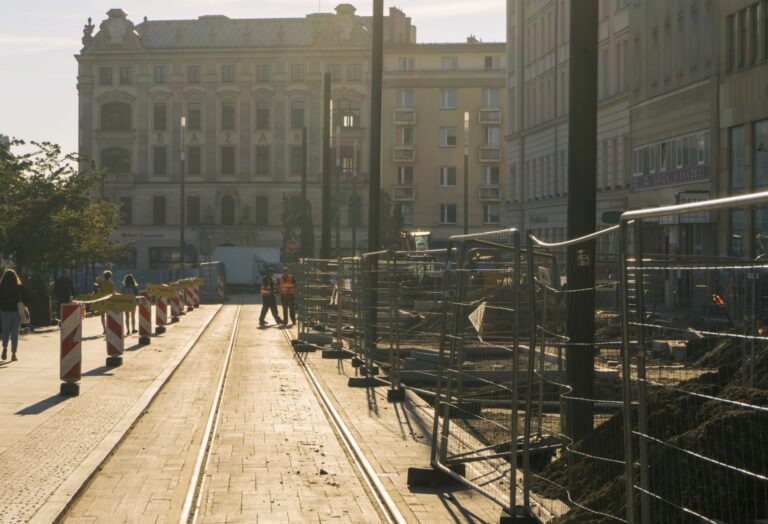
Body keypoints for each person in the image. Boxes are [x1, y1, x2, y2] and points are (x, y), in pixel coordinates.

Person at [0, 269, 30, 362]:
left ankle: (4, 347)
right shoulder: (19, 287)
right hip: (17, 312)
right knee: (14, 333)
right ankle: (13, 354)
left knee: (5, 332)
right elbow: (28, 299)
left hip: (5, 312)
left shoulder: (1, 287)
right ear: (15, 277)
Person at [95, 269, 115, 334]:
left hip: (102, 301)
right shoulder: (111, 284)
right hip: (109, 301)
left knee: (102, 316)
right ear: (110, 276)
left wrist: (100, 278)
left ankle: (104, 329)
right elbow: (113, 293)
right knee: (109, 316)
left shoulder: (101, 282)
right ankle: (109, 328)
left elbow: (96, 280)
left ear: (104, 276)